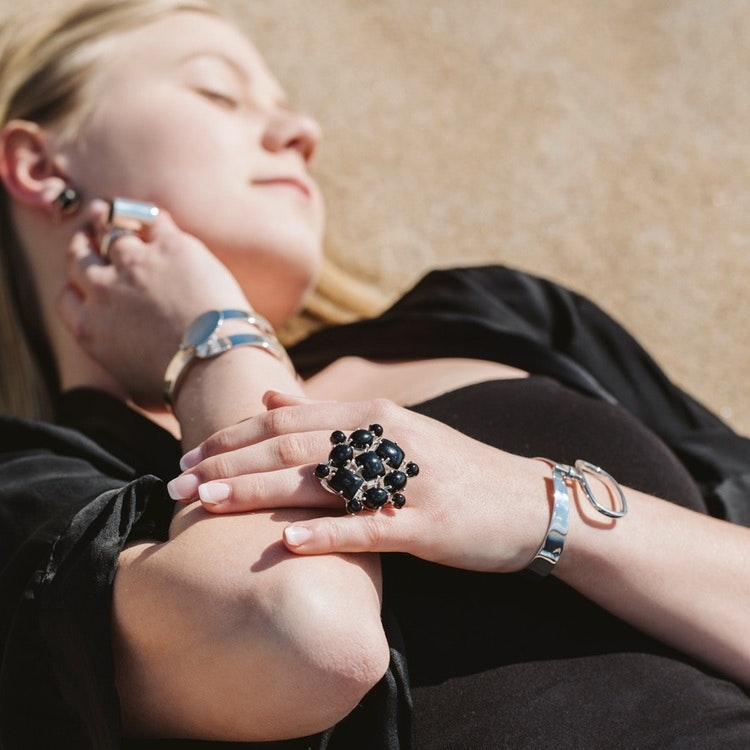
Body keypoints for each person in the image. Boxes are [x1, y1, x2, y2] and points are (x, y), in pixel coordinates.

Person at [1, 1, 749, 748]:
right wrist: (214, 341)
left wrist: (529, 505)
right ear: (40, 168)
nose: (302, 132)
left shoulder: (495, 312)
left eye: (289, 108)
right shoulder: (33, 486)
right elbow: (298, 633)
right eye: (217, 93)